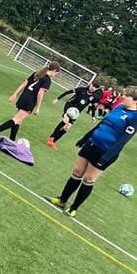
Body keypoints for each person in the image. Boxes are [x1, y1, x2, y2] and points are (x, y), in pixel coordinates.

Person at [47, 89, 137, 217]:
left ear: (135, 101)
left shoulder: (135, 117)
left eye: (128, 95)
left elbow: (123, 140)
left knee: (89, 179)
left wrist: (106, 157)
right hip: (92, 143)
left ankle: (73, 208)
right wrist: (85, 138)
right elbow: (103, 123)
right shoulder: (119, 107)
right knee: (77, 171)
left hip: (105, 152)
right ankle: (62, 200)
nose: (124, 96)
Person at [0, 61, 61, 142]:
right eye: (56, 74)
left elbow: (24, 83)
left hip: (23, 98)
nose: (55, 76)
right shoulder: (47, 80)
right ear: (54, 70)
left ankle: (12, 139)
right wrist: (38, 108)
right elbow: (40, 93)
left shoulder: (37, 73)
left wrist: (15, 94)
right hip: (29, 102)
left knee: (19, 121)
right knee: (16, 119)